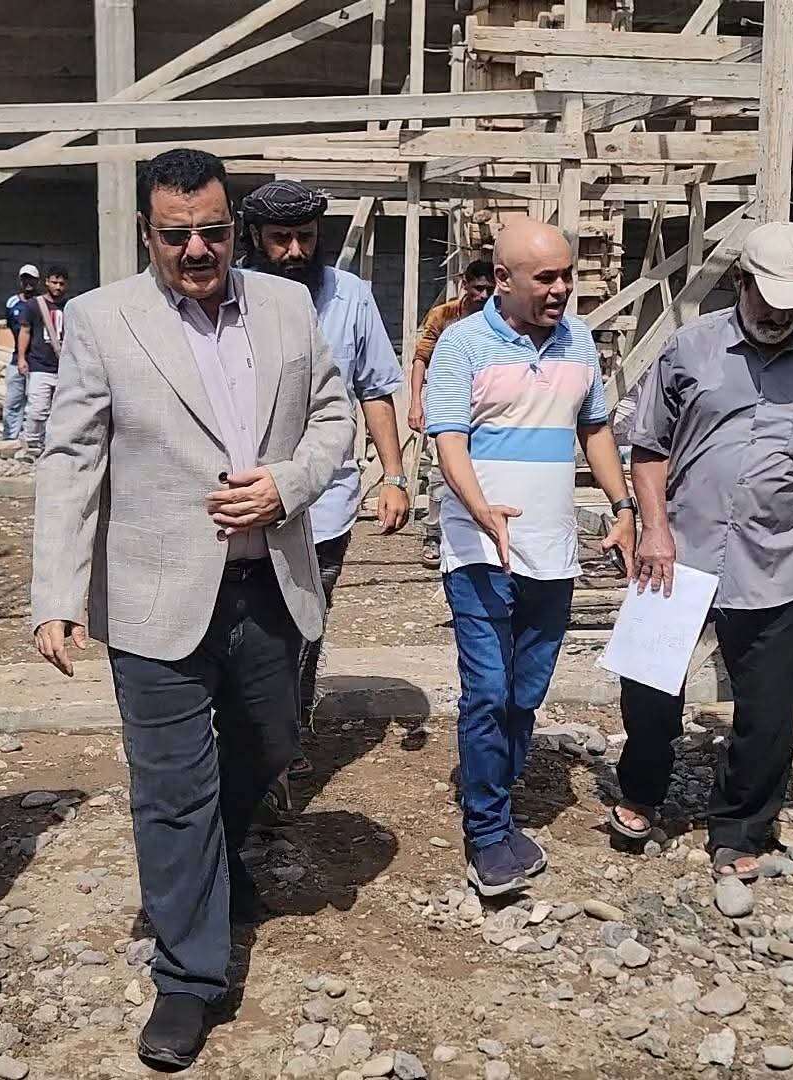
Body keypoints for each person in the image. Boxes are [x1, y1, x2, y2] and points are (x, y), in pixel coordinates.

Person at [29, 148, 354, 1071]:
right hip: (154, 592)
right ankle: (188, 977)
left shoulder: (287, 307)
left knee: (273, 744)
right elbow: (71, 459)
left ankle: (216, 862)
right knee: (172, 789)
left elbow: (333, 418)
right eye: (178, 236)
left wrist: (288, 482)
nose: (198, 250)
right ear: (148, 233)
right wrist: (57, 593)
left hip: (270, 584)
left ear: (233, 227)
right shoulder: (102, 321)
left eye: (213, 231)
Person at [614, 220, 793, 882]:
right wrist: (654, 529)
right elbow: (648, 446)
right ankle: (642, 790)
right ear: (742, 283)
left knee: (769, 707)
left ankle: (742, 825)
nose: (780, 316)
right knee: (648, 683)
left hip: (781, 556)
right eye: (770, 300)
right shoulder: (689, 349)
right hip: (680, 546)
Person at [422, 217, 636, 897]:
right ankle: (487, 832)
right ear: (502, 279)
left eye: (567, 275)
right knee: (488, 691)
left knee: (525, 693)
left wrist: (623, 506)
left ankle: (494, 782)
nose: (562, 289)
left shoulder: (578, 341)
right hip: (479, 551)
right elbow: (448, 440)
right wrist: (480, 507)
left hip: (553, 552)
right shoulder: (460, 344)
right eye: (545, 278)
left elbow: (594, 428)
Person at [238, 179, 409, 800]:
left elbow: (376, 389)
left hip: (326, 503)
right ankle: (253, 744)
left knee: (304, 624)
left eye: (305, 237)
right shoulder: (228, 295)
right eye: (279, 239)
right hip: (244, 500)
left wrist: (394, 477)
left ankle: (284, 744)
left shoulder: (351, 297)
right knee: (249, 625)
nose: (293, 251)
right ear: (254, 238)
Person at [408, 258, 495, 568]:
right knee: (439, 469)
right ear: (465, 286)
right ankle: (433, 534)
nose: (484, 295)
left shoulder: (499, 318)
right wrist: (416, 403)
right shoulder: (444, 315)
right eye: (478, 288)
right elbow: (421, 358)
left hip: (483, 400)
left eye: (490, 289)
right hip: (445, 399)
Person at [16, 265, 70, 460]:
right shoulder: (34, 305)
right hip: (40, 365)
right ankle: (32, 445)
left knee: (61, 411)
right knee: (37, 409)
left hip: (64, 368)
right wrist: (21, 358)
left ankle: (54, 446)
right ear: (46, 282)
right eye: (54, 282)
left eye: (61, 283)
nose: (57, 287)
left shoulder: (70, 306)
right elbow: (25, 331)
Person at [0, 264, 39, 442]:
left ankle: (31, 440)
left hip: (38, 362)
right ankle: (9, 439)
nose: (28, 283)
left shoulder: (41, 304)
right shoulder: (12, 303)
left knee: (35, 404)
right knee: (13, 402)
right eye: (25, 279)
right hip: (17, 360)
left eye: (31, 279)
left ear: (38, 281)